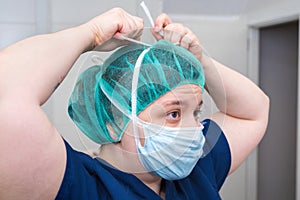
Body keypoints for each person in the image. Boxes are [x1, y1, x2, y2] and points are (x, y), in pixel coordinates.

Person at [0, 7, 269, 200]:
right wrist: (88, 35)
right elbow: (6, 94)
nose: (195, 130)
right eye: (174, 113)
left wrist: (200, 60)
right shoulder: (78, 185)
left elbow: (254, 112)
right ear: (116, 121)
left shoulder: (196, 170)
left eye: (196, 112)